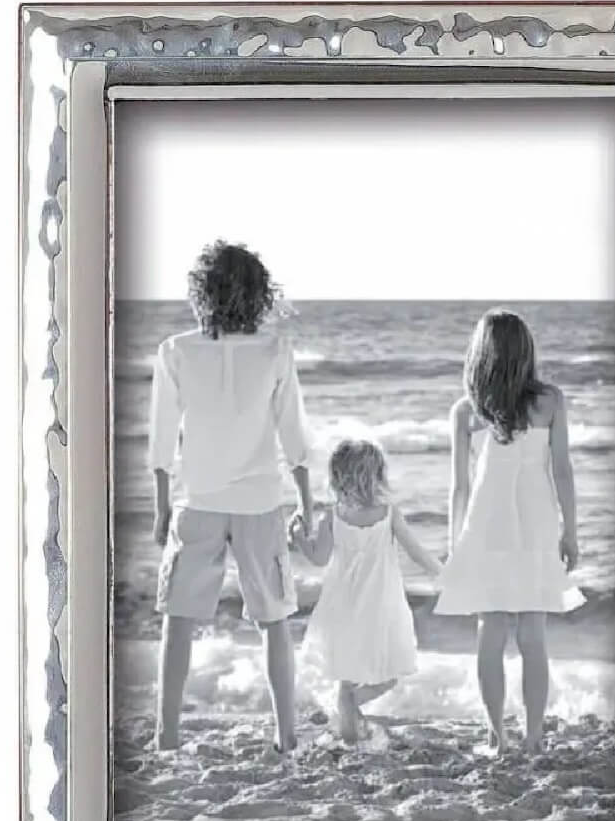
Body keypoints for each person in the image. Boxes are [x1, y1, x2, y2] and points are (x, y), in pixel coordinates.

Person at [149, 240, 313, 753]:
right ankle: (286, 735)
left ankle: (166, 735)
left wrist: (160, 506)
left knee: (178, 622)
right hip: (259, 502)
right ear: (260, 293)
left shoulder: (176, 350)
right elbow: (294, 435)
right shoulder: (274, 349)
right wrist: (307, 504)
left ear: (202, 292)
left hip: (196, 501)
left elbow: (161, 437)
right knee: (273, 621)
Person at [434, 309, 585, 754]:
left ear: (478, 355)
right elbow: (562, 471)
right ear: (526, 352)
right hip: (536, 521)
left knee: (491, 631)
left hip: (487, 524)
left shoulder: (467, 411)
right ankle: (534, 737)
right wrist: (570, 531)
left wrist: (454, 544)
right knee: (533, 635)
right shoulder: (550, 401)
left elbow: (460, 487)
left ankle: (497, 736)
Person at [291, 439, 442, 742]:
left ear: (337, 477)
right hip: (380, 604)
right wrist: (442, 572)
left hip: (342, 604)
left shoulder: (332, 516)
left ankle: (349, 727)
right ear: (378, 475)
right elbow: (416, 552)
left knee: (346, 678)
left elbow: (318, 558)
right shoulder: (388, 513)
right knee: (390, 673)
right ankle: (352, 715)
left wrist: (298, 537)